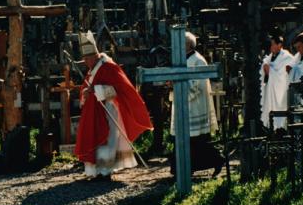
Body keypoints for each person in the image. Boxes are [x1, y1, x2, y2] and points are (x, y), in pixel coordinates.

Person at [74, 31, 152, 181]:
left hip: (109, 110)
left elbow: (118, 90)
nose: (85, 62)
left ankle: (105, 171)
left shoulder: (109, 66)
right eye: (84, 59)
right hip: (94, 111)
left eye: (87, 58)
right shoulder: (93, 68)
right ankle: (95, 171)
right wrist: (86, 92)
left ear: (95, 56)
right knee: (95, 138)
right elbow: (87, 87)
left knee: (107, 140)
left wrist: (96, 90)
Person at [168, 32, 222, 175]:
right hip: (184, 106)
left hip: (194, 107)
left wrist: (176, 85)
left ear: (187, 45)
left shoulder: (198, 61)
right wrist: (173, 84)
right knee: (183, 139)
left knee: (197, 141)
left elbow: (196, 87)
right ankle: (183, 170)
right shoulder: (182, 60)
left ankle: (217, 160)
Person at [260, 35, 294, 130]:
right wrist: (266, 69)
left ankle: (281, 128)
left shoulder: (287, 57)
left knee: (281, 110)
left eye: (273, 44)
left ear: (279, 45)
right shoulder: (270, 57)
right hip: (271, 89)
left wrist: (270, 71)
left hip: (281, 89)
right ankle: (271, 128)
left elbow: (284, 74)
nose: (271, 47)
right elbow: (265, 69)